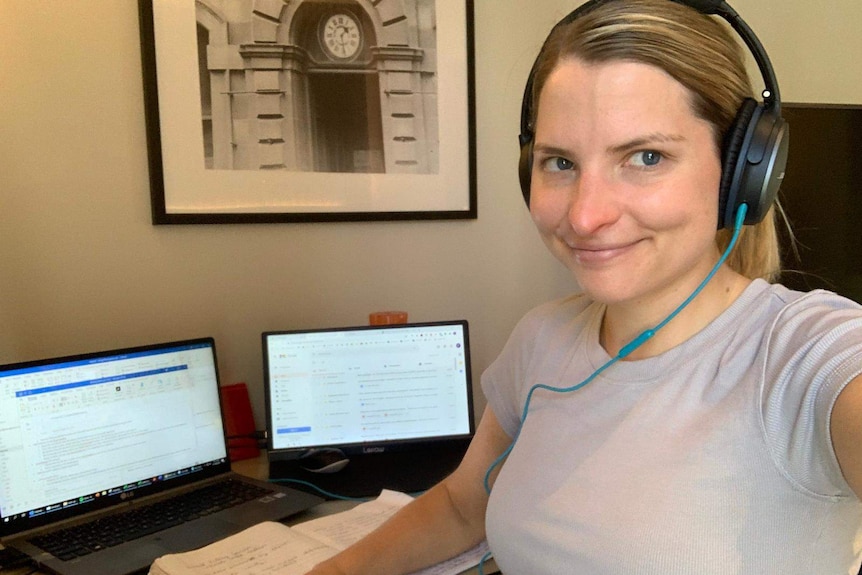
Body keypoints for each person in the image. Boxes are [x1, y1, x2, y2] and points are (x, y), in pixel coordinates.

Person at [306, 0, 862, 573]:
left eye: (645, 156)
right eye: (560, 163)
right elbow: (461, 505)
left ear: (744, 170)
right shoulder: (541, 339)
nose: (585, 216)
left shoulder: (806, 357)